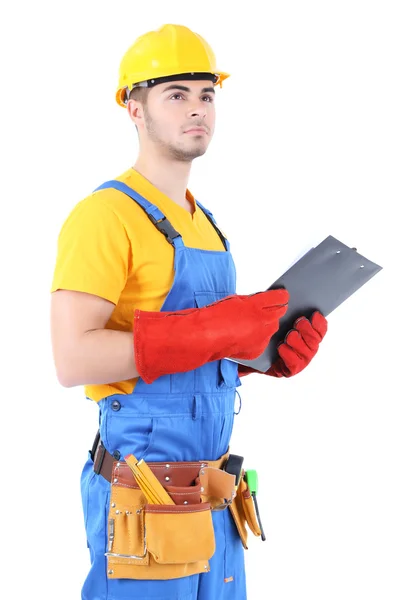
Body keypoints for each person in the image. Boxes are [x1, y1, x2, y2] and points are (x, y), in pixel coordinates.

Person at [50, 23, 328, 600]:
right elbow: (73, 356)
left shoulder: (208, 225)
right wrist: (211, 330)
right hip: (143, 501)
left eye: (207, 94)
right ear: (134, 107)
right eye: (176, 94)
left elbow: (199, 351)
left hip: (217, 501)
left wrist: (260, 354)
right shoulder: (105, 215)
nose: (196, 109)